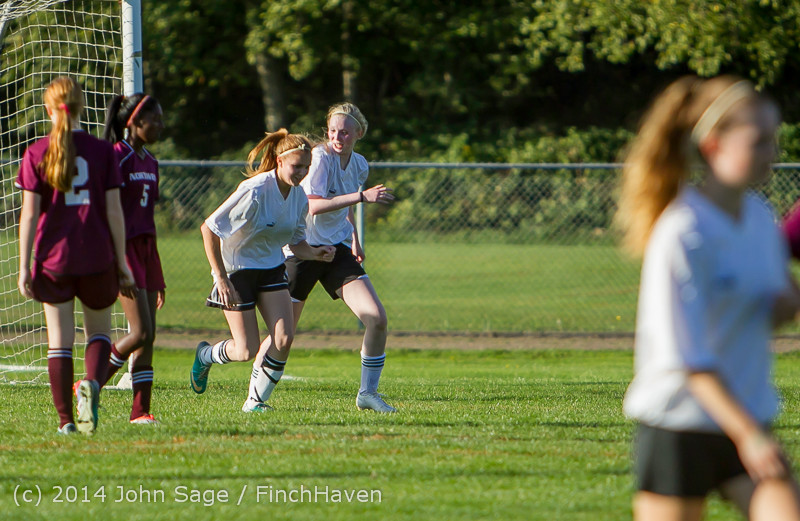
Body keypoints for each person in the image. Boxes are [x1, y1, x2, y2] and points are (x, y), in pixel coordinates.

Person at [617, 75, 800, 520]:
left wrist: (789, 304)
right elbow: (690, 360)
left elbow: (776, 308)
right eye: (758, 141)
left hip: (744, 412)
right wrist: (749, 436)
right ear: (713, 144)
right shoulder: (683, 231)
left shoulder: (758, 217)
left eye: (773, 140)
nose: (772, 154)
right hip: (678, 426)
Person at [16, 76, 136, 435]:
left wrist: (23, 266)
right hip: (97, 256)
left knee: (59, 341)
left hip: (54, 261)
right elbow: (115, 213)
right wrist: (122, 260)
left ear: (48, 109)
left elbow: (29, 215)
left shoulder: (37, 152)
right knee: (99, 333)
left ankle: (66, 422)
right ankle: (93, 384)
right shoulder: (102, 152)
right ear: (82, 107)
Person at [190, 129, 335, 412]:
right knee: (245, 350)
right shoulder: (255, 190)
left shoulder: (298, 198)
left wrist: (317, 253)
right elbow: (209, 228)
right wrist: (220, 277)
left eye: (307, 167)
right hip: (237, 270)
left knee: (284, 337)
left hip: (270, 268)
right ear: (279, 162)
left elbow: (297, 243)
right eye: (297, 166)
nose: (302, 173)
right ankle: (206, 355)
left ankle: (255, 402)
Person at [283, 102, 397, 413]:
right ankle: (255, 399)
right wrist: (363, 196)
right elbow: (314, 205)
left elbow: (343, 206)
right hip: (302, 249)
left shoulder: (359, 164)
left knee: (376, 318)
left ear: (359, 133)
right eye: (333, 131)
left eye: (345, 132)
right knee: (283, 337)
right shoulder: (318, 157)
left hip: (336, 250)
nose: (337, 137)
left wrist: (355, 239)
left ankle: (368, 394)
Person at [97, 92, 166, 424]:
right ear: (135, 122)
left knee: (149, 336)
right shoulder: (114, 157)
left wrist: (158, 272)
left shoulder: (151, 161)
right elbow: (101, 211)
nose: (160, 125)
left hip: (147, 251)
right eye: (155, 119)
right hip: (122, 251)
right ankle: (91, 383)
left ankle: (140, 412)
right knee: (138, 332)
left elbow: (147, 217)